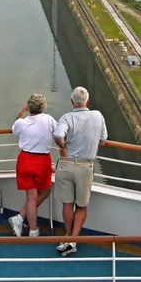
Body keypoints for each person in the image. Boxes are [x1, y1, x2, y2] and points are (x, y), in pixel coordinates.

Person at [54, 86, 107, 255]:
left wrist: (63, 148)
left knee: (67, 204)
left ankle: (69, 237)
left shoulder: (67, 117)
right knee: (81, 205)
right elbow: (103, 140)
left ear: (72, 101)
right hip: (85, 166)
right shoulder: (97, 116)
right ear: (87, 101)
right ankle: (73, 241)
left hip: (66, 164)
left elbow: (58, 135)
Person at [9, 94, 58, 238]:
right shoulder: (48, 119)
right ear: (43, 107)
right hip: (42, 161)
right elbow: (59, 133)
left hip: (25, 160)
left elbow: (15, 127)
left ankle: (22, 221)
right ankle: (31, 229)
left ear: (28, 107)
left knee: (31, 196)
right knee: (44, 191)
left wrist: (22, 112)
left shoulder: (21, 123)